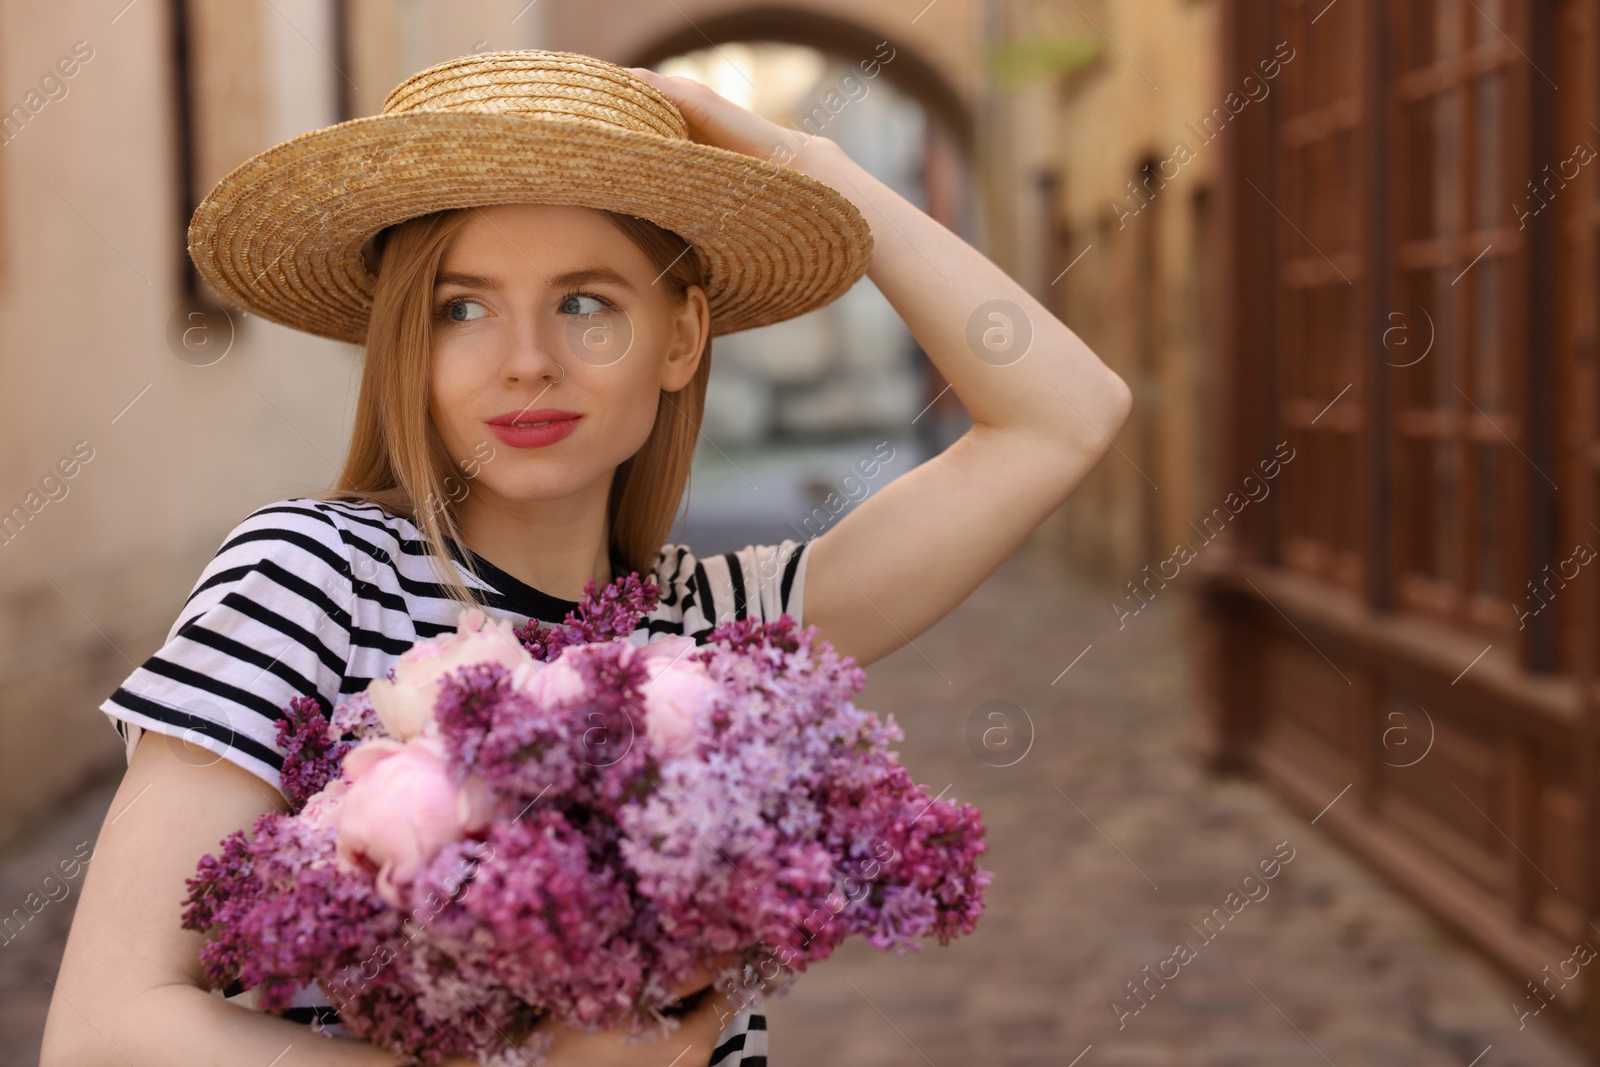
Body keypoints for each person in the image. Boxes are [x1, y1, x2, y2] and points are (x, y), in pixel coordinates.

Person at [41, 49, 1131, 1066]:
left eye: (585, 303)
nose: (526, 362)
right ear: (403, 347)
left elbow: (1064, 416)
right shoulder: (311, 577)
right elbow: (102, 1026)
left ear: (680, 336)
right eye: (460, 307)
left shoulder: (733, 628)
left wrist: (811, 164)